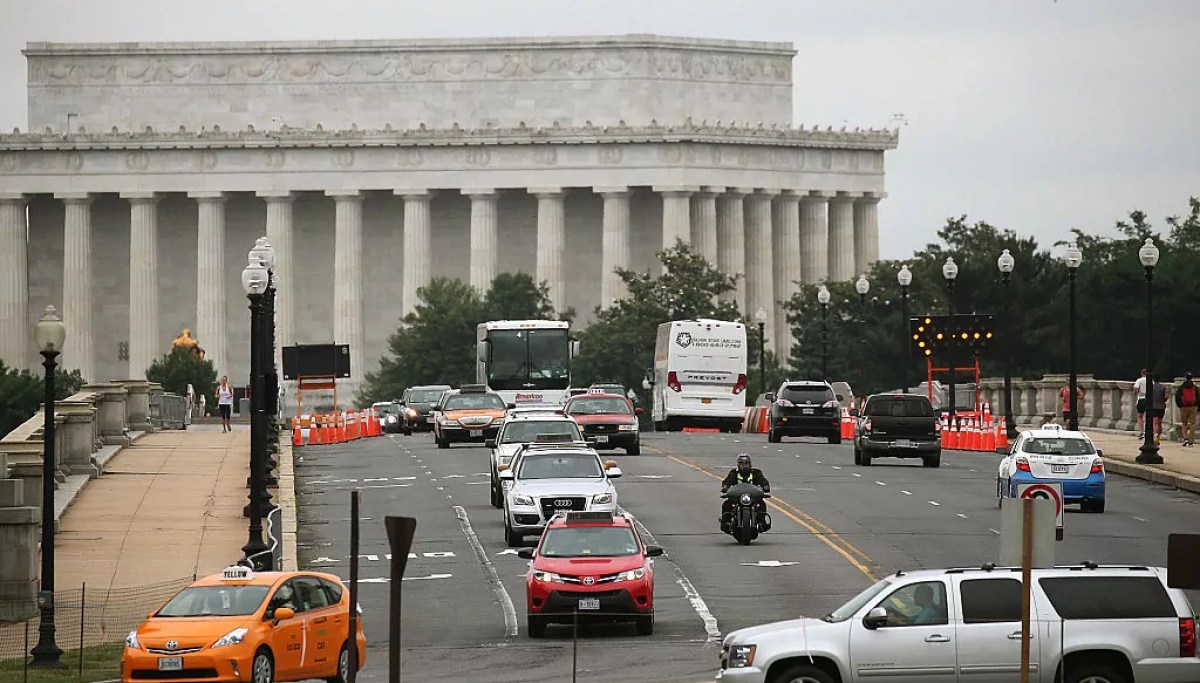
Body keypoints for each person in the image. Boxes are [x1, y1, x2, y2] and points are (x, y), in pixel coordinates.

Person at [720, 454, 770, 531]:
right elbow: (727, 481)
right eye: (742, 464)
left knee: (761, 504)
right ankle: (726, 522)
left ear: (750, 464)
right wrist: (725, 487)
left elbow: (762, 480)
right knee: (726, 504)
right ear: (738, 465)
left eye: (746, 464)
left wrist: (765, 486)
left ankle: (761, 522)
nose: (744, 466)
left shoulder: (756, 473)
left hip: (752, 498)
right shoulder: (733, 473)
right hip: (737, 498)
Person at [1175, 372, 1198, 447]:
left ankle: (1185, 438)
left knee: (1184, 423)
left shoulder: (1181, 387)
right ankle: (1191, 440)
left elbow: (1177, 396)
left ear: (1185, 378)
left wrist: (1180, 405)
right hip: (1193, 407)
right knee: (1192, 424)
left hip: (1184, 407)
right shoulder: (1195, 387)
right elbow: (1198, 397)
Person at [1149, 376, 1168, 446]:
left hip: (1153, 407)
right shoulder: (1163, 387)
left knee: (1155, 423)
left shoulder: (1151, 387)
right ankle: (1158, 438)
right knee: (1160, 423)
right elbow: (1166, 396)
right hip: (1161, 407)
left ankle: (1155, 436)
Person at [1133, 369, 1149, 438]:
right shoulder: (1151, 381)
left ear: (1142, 373)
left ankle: (1142, 432)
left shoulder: (1139, 380)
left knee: (1140, 416)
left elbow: (1136, 388)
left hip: (1141, 399)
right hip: (1149, 399)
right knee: (1148, 416)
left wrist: (1135, 392)